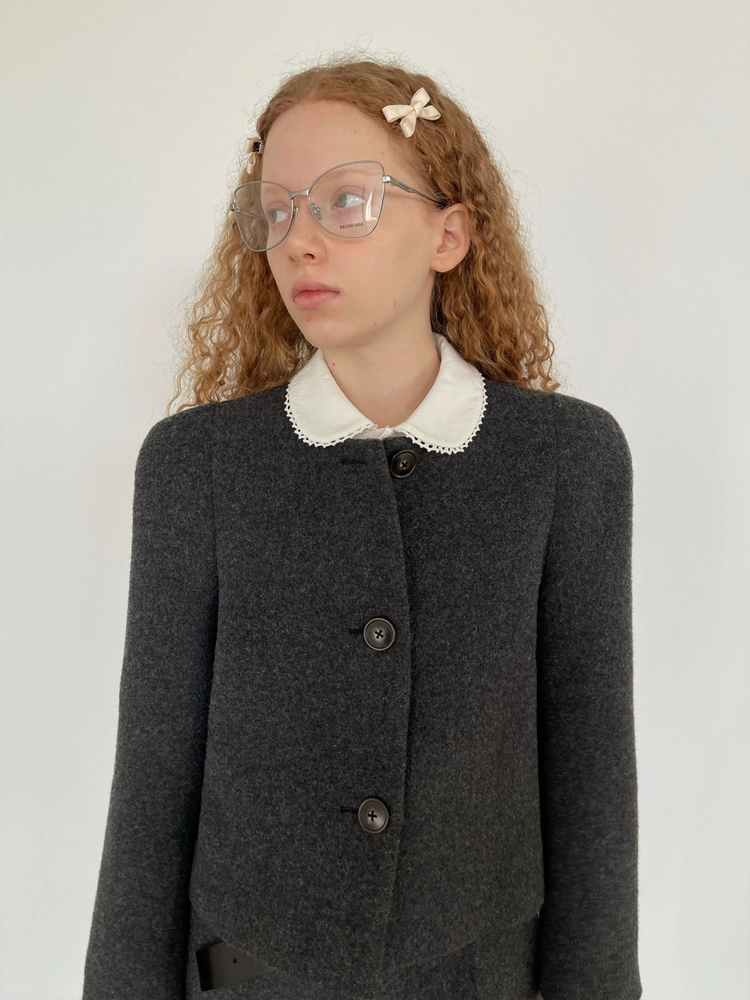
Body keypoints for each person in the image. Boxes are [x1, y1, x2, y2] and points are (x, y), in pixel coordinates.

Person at [82, 52, 643, 1000]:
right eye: (275, 211)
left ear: (449, 234)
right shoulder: (196, 466)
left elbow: (591, 776)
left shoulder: (566, 461)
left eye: (347, 201)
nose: (299, 242)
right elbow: (152, 780)